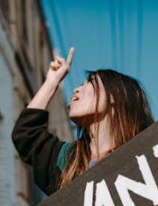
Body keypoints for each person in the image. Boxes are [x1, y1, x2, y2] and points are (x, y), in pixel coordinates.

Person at [11, 47, 154, 197]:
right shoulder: (68, 160)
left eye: (90, 82)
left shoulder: (146, 153)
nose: (76, 90)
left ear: (115, 96)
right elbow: (25, 134)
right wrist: (52, 82)